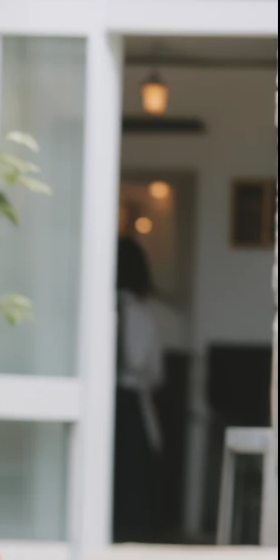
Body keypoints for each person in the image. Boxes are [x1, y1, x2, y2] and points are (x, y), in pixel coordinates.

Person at [113, 232, 166, 541]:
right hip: (132, 405)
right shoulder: (145, 318)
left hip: (112, 404)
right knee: (133, 483)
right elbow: (155, 374)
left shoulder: (87, 315)